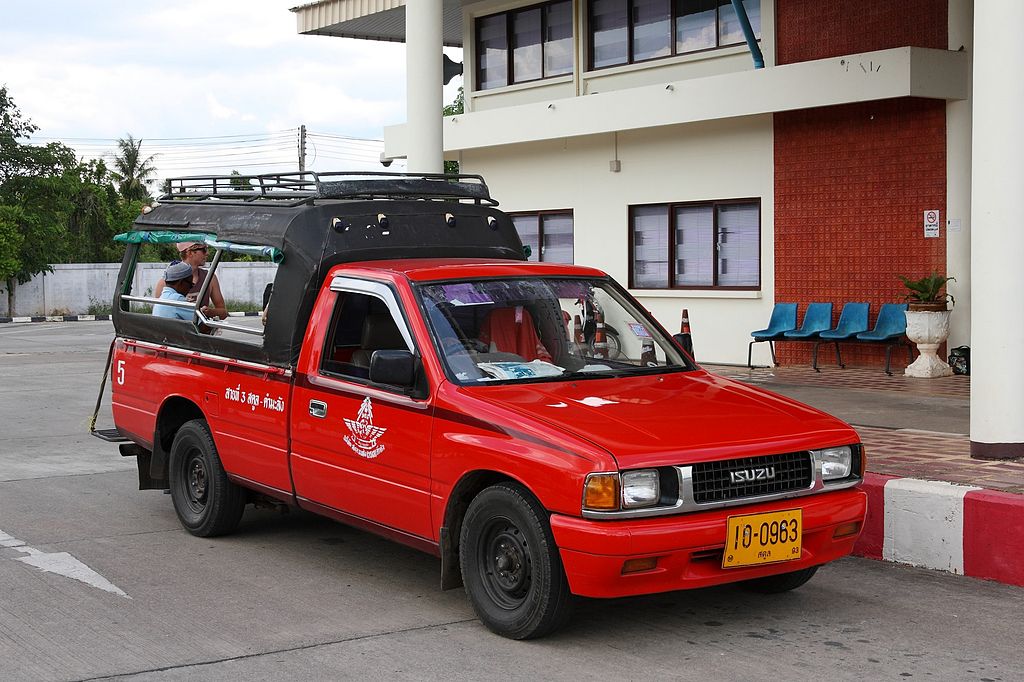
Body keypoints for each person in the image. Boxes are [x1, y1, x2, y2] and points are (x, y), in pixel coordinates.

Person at [153, 241, 228, 319]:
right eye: (204, 250)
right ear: (190, 252)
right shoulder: (164, 283)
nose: (207, 253)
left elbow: (223, 312)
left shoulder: (210, 278)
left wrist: (210, 312)